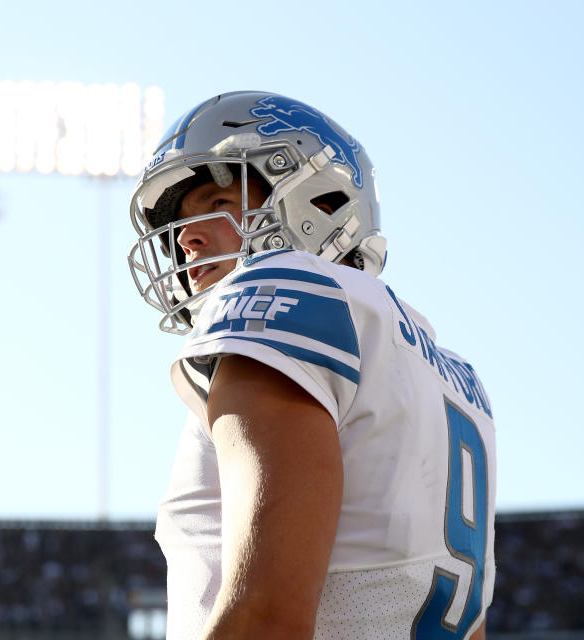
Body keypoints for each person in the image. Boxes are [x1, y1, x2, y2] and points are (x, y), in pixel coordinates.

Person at [127, 91, 497, 639]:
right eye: (181, 224)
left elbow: (267, 615)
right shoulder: (453, 373)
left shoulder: (284, 294)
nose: (186, 240)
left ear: (319, 202)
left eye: (217, 205)